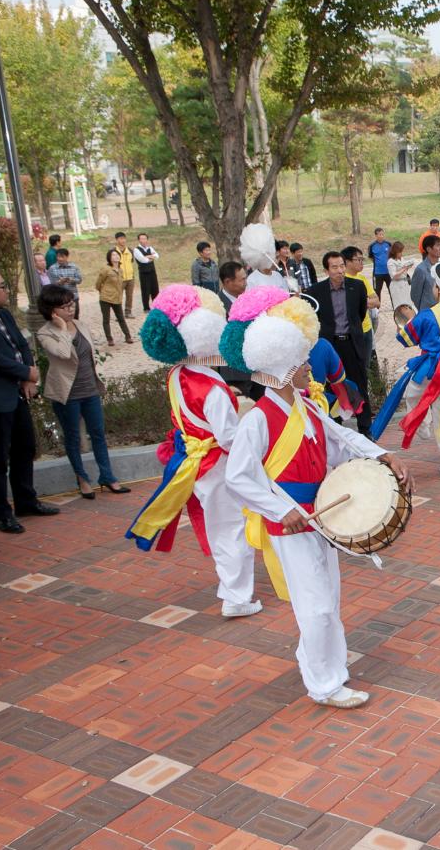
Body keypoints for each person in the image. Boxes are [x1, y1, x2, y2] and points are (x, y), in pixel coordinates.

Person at [222, 286, 415, 708]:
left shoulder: (305, 408)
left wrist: (382, 454)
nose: (311, 365)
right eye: (303, 360)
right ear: (285, 368)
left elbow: (341, 436)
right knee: (317, 604)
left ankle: (326, 668)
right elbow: (238, 476)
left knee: (328, 598)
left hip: (321, 515)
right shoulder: (258, 419)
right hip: (293, 522)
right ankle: (325, 684)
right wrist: (283, 509)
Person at [127, 285, 260, 617]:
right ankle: (237, 597)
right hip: (218, 464)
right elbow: (228, 437)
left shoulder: (175, 375)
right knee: (232, 529)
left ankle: (231, 588)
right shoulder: (212, 387)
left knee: (219, 527)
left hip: (194, 463)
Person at [0, 269, 58, 534]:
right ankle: (1, 513)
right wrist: (24, 372)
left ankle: (26, 501)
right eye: (2, 286)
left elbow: (21, 345)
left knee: (25, 448)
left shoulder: (3, 314)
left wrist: (29, 376)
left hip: (17, 393)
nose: (7, 290)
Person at [371, 262, 440, 475]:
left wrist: (401, 324)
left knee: (413, 394)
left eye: (435, 286)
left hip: (431, 367)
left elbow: (406, 339)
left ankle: (422, 424)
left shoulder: (426, 315)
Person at [35, 285, 130, 500]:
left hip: (90, 389)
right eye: (64, 306)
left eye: (72, 303)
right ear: (52, 311)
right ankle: (82, 479)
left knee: (98, 434)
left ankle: (107, 476)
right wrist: (61, 329)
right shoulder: (45, 332)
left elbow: (91, 354)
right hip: (67, 393)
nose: (70, 309)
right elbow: (62, 353)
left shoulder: (80, 325)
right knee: (73, 437)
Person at [310, 252, 372, 434]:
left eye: (342, 266)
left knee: (360, 384)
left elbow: (360, 314)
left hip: (352, 344)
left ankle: (366, 428)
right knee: (331, 387)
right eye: (335, 267)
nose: (340, 271)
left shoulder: (357, 286)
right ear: (326, 270)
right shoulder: (316, 291)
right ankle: (335, 428)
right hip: (331, 345)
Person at [215, 262, 254, 396]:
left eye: (245, 278)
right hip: (234, 372)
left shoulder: (248, 299)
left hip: (255, 368)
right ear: (227, 282)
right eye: (242, 280)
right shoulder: (217, 305)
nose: (245, 283)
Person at [340, 245, 379, 360]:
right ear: (347, 262)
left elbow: (376, 301)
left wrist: (360, 302)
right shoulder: (342, 281)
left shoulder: (362, 278)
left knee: (366, 364)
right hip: (352, 331)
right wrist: (365, 301)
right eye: (358, 260)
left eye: (362, 259)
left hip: (367, 327)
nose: (362, 263)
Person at [96, 249, 132, 345]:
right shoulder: (106, 269)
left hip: (117, 298)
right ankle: (109, 339)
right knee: (106, 319)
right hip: (105, 298)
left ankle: (128, 336)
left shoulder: (120, 270)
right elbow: (98, 283)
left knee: (121, 318)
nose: (116, 256)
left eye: (117, 255)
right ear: (109, 258)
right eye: (113, 255)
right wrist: (103, 291)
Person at [241, 224, 290, 292]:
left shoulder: (278, 276)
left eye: (279, 257)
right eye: (276, 257)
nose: (278, 261)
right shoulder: (252, 280)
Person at [410, 235, 440, 314]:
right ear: (428, 249)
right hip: (428, 312)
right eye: (438, 245)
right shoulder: (421, 270)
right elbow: (415, 295)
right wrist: (424, 311)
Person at [47, 248, 83, 318]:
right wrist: (59, 282)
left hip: (73, 296)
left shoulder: (74, 267)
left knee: (75, 316)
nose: (60, 259)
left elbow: (79, 280)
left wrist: (71, 280)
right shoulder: (52, 268)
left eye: (62, 256)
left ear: (67, 257)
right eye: (58, 256)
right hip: (59, 298)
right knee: (62, 317)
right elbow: (50, 284)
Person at [385, 241, 415, 322]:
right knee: (401, 307)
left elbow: (403, 269)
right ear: (395, 251)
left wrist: (408, 266)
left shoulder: (401, 259)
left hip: (405, 283)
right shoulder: (390, 261)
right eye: (400, 252)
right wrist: (404, 269)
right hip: (397, 285)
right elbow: (393, 275)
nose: (401, 254)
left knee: (408, 305)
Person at [133, 233, 161, 311]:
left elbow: (157, 256)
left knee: (155, 289)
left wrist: (148, 256)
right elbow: (143, 260)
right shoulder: (136, 250)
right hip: (144, 273)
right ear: (139, 240)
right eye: (141, 239)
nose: (143, 240)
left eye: (145, 239)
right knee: (145, 290)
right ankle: (146, 307)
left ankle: (156, 306)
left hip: (152, 271)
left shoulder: (150, 248)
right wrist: (150, 257)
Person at [115, 232, 137, 317]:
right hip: (119, 278)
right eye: (120, 239)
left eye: (124, 238)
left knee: (129, 296)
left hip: (130, 277)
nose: (123, 240)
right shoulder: (114, 251)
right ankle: (119, 314)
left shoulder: (130, 250)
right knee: (118, 297)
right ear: (117, 240)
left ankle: (128, 312)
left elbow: (131, 262)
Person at [368, 228, 392, 298]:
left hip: (389, 272)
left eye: (382, 234)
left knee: (392, 291)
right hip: (377, 273)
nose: (381, 236)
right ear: (376, 235)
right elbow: (370, 257)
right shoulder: (372, 246)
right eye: (380, 234)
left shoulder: (388, 244)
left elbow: (392, 255)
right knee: (377, 292)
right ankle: (377, 309)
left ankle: (396, 308)